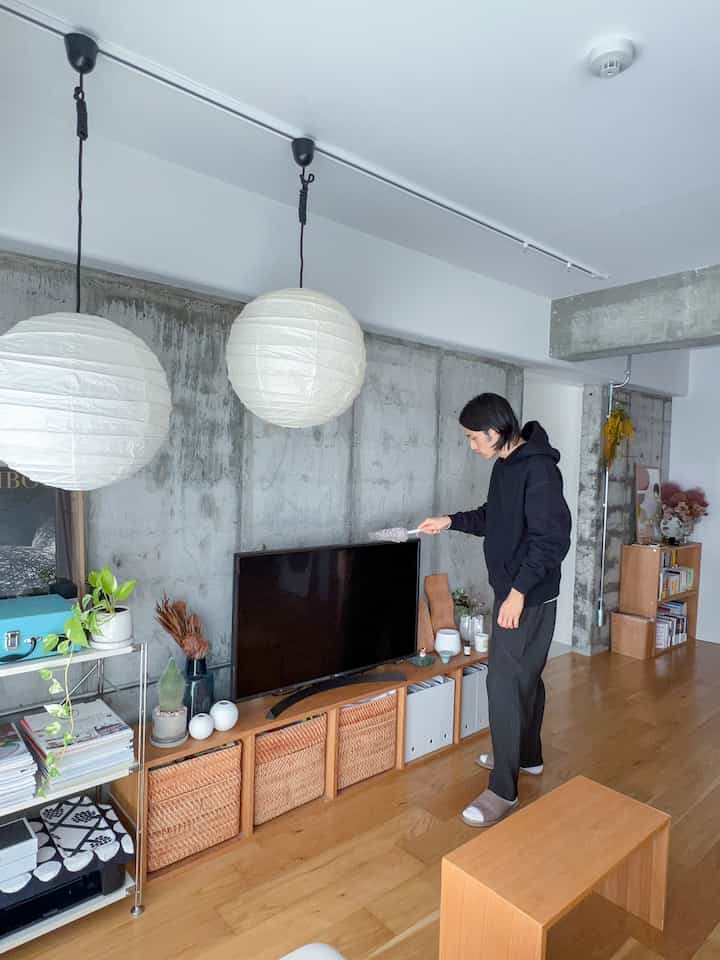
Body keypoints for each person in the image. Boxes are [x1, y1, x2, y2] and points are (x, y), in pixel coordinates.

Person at [418, 393, 571, 827]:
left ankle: (503, 789)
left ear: (494, 431)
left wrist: (519, 593)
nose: (471, 446)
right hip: (518, 593)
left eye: (472, 438)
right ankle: (528, 757)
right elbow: (494, 518)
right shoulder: (506, 465)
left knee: (504, 683)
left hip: (528, 597)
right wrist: (449, 521)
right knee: (524, 679)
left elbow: (553, 539)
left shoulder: (539, 469)